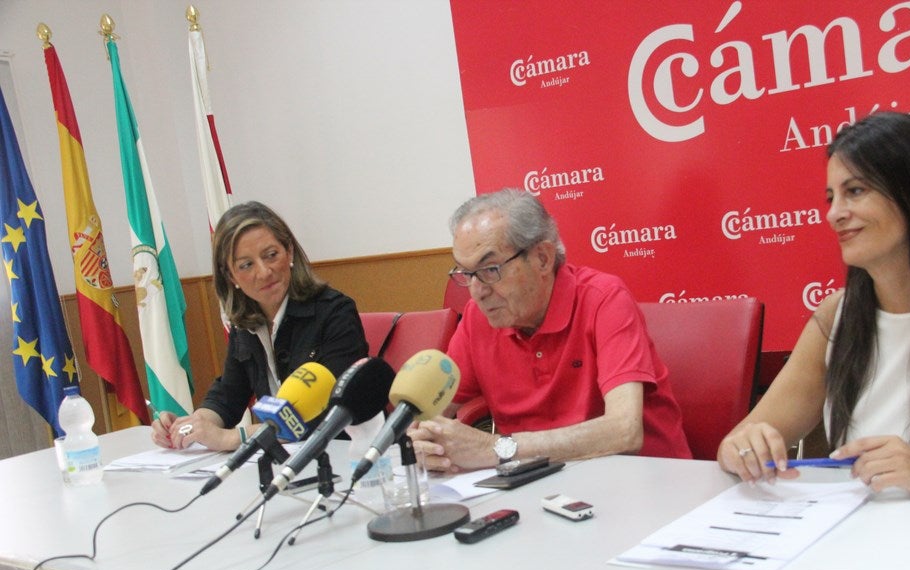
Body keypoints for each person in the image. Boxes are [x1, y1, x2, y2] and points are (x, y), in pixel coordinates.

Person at [718, 112, 910, 498]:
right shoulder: (836, 317)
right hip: (869, 531)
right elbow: (736, 444)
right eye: (831, 197)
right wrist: (744, 448)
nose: (835, 214)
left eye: (856, 191)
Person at [411, 188, 691, 472]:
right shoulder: (478, 317)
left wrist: (497, 448)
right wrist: (428, 442)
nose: (477, 291)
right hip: (543, 482)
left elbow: (624, 431)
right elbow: (430, 415)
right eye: (466, 273)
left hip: (645, 477)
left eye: (490, 269)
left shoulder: (604, 299)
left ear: (542, 258)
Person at [152, 201, 368, 451]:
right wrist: (193, 425)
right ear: (231, 276)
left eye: (271, 255)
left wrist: (230, 438)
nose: (264, 272)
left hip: (343, 452)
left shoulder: (335, 312)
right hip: (285, 456)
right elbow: (229, 394)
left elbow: (328, 416)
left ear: (289, 252)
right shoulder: (246, 322)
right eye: (246, 265)